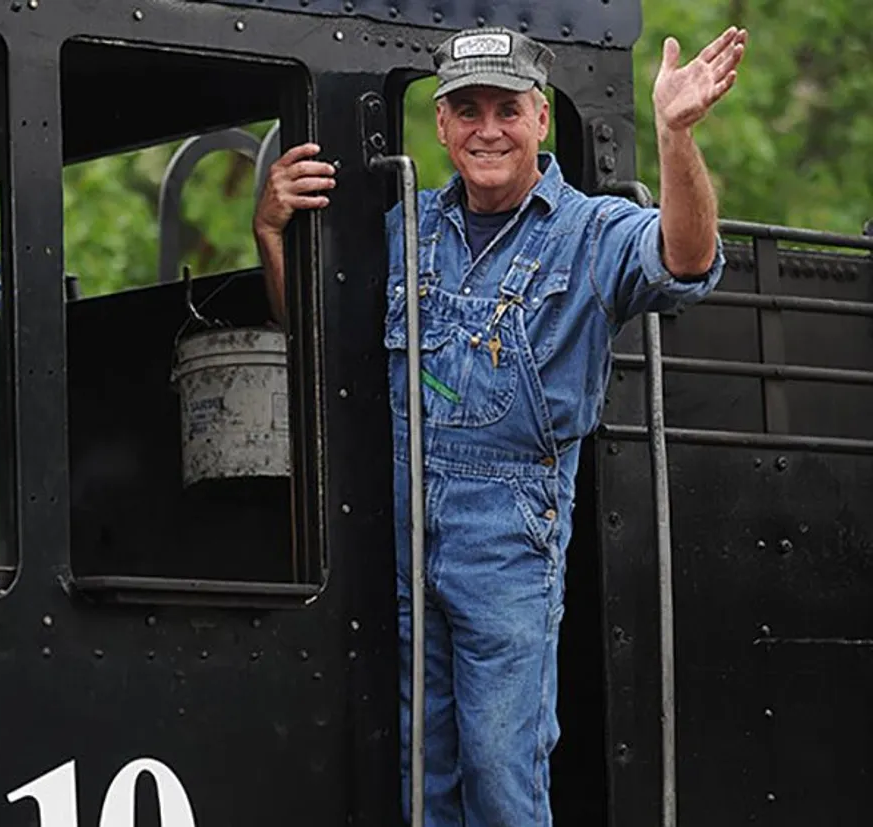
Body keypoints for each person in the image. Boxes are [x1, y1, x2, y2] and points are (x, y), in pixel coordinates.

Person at [253, 23, 747, 827]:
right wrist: (271, 233)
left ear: (541, 119)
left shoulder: (590, 230)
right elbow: (319, 338)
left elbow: (685, 260)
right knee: (423, 777)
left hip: (508, 541)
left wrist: (674, 135)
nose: (489, 129)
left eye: (508, 109)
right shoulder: (406, 229)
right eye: (468, 109)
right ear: (441, 124)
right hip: (404, 535)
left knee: (499, 772)